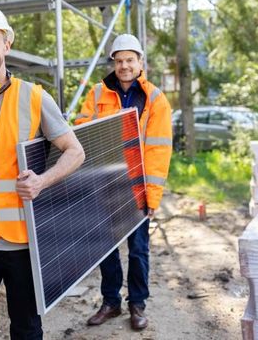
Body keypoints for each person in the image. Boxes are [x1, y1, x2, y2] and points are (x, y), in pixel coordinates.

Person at [0, 2, 85, 340]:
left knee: (26, 330)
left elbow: (75, 151)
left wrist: (42, 181)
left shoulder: (34, 98)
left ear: (6, 45)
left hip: (24, 241)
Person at [75, 34, 172, 331]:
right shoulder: (97, 94)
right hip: (105, 184)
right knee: (106, 247)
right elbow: (81, 131)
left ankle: (137, 304)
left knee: (139, 249)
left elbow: (158, 150)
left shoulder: (155, 99)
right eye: (119, 61)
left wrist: (152, 197)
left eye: (130, 60)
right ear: (114, 64)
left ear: (140, 62)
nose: (124, 66)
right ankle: (111, 302)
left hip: (137, 187)